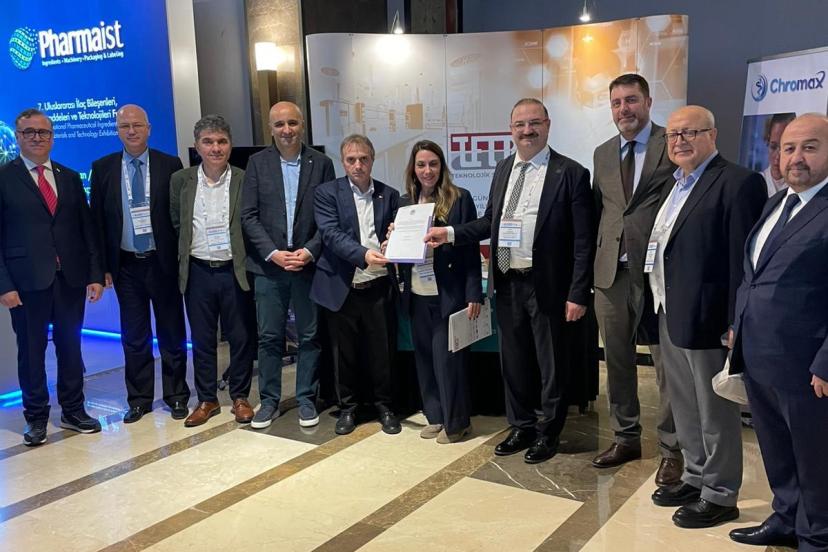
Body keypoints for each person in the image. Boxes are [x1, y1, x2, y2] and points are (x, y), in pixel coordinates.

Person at [425, 98, 596, 464]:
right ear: (511, 129)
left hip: (548, 285)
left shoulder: (571, 173)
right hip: (506, 282)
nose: (527, 130)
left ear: (547, 125)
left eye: (534, 123)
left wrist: (578, 292)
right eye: (520, 124)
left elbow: (584, 241)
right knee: (514, 361)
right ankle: (521, 425)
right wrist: (450, 233)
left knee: (551, 364)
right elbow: (491, 222)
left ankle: (548, 431)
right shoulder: (504, 168)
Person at [646, 105, 766, 528]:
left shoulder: (738, 182)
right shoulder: (673, 184)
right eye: (673, 135)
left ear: (712, 135)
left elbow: (743, 261)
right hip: (669, 309)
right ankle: (695, 476)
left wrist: (736, 320)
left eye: (690, 133)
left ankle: (720, 492)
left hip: (710, 317)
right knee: (684, 405)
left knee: (714, 410)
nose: (679, 141)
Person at [728, 114, 828, 551]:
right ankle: (787, 517)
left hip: (808, 367)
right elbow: (752, 275)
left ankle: (818, 535)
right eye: (788, 148)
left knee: (816, 459)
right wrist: (739, 325)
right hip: (759, 356)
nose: (796, 157)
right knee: (776, 448)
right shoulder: (776, 203)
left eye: (810, 147)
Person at [590, 74, 682, 484]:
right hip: (611, 274)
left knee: (666, 365)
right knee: (617, 360)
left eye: (630, 100)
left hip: (659, 272)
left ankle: (672, 449)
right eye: (616, 103)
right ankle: (625, 437)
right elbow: (603, 210)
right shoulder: (602, 153)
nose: (623, 109)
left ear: (647, 102)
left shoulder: (671, 142)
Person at [0, 108, 104, 445]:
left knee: (70, 347)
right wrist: (4, 285)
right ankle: (36, 418)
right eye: (29, 132)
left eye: (43, 132)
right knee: (31, 352)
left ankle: (73, 410)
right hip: (25, 283)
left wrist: (94, 274)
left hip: (69, 279)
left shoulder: (69, 177)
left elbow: (87, 230)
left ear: (52, 137)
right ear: (18, 137)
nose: (37, 138)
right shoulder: (4, 178)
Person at [89, 104, 189, 423]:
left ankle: (176, 395)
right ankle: (139, 399)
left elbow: (179, 217)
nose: (131, 131)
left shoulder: (170, 164)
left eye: (137, 125)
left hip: (162, 263)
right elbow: (97, 223)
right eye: (124, 126)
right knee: (134, 337)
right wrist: (101, 268)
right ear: (117, 131)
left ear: (149, 129)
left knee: (172, 333)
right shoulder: (102, 168)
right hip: (126, 266)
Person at [240, 101, 335, 429]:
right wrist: (272, 252)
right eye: (279, 124)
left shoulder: (321, 163)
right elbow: (248, 216)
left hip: (307, 265)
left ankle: (306, 398)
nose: (286, 130)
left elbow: (329, 218)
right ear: (270, 128)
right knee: (269, 337)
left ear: (302, 125)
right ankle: (269, 401)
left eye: (292, 123)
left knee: (309, 336)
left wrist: (309, 251)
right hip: (269, 267)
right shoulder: (257, 164)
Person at [311, 134, 401, 436]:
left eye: (363, 159)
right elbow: (331, 234)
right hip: (342, 286)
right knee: (343, 354)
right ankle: (348, 409)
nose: (358, 165)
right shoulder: (327, 193)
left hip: (378, 285)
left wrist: (392, 241)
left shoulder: (389, 194)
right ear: (343, 162)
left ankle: (385, 406)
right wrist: (364, 255)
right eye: (351, 160)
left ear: (372, 160)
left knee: (382, 352)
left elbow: (394, 233)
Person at [169, 115, 255, 427]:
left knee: (241, 337)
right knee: (202, 338)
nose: (215, 148)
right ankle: (207, 399)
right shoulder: (181, 180)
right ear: (197, 146)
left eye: (221, 141)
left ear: (230, 145)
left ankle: (240, 396)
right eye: (208, 142)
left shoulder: (245, 178)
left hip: (235, 270)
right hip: (198, 271)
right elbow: (176, 223)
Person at [396, 140, 483, 444]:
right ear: (413, 168)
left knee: (449, 362)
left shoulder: (460, 198)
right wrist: (391, 243)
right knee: (424, 359)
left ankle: (457, 423)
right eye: (421, 164)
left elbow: (471, 249)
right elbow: (401, 251)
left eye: (433, 164)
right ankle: (435, 416)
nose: (427, 170)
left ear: (442, 166)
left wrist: (474, 293)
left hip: (449, 293)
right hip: (416, 293)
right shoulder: (405, 203)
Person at [760, 112, 795, 197]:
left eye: (786, 149)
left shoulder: (801, 186)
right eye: (773, 147)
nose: (777, 157)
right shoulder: (757, 181)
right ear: (767, 140)